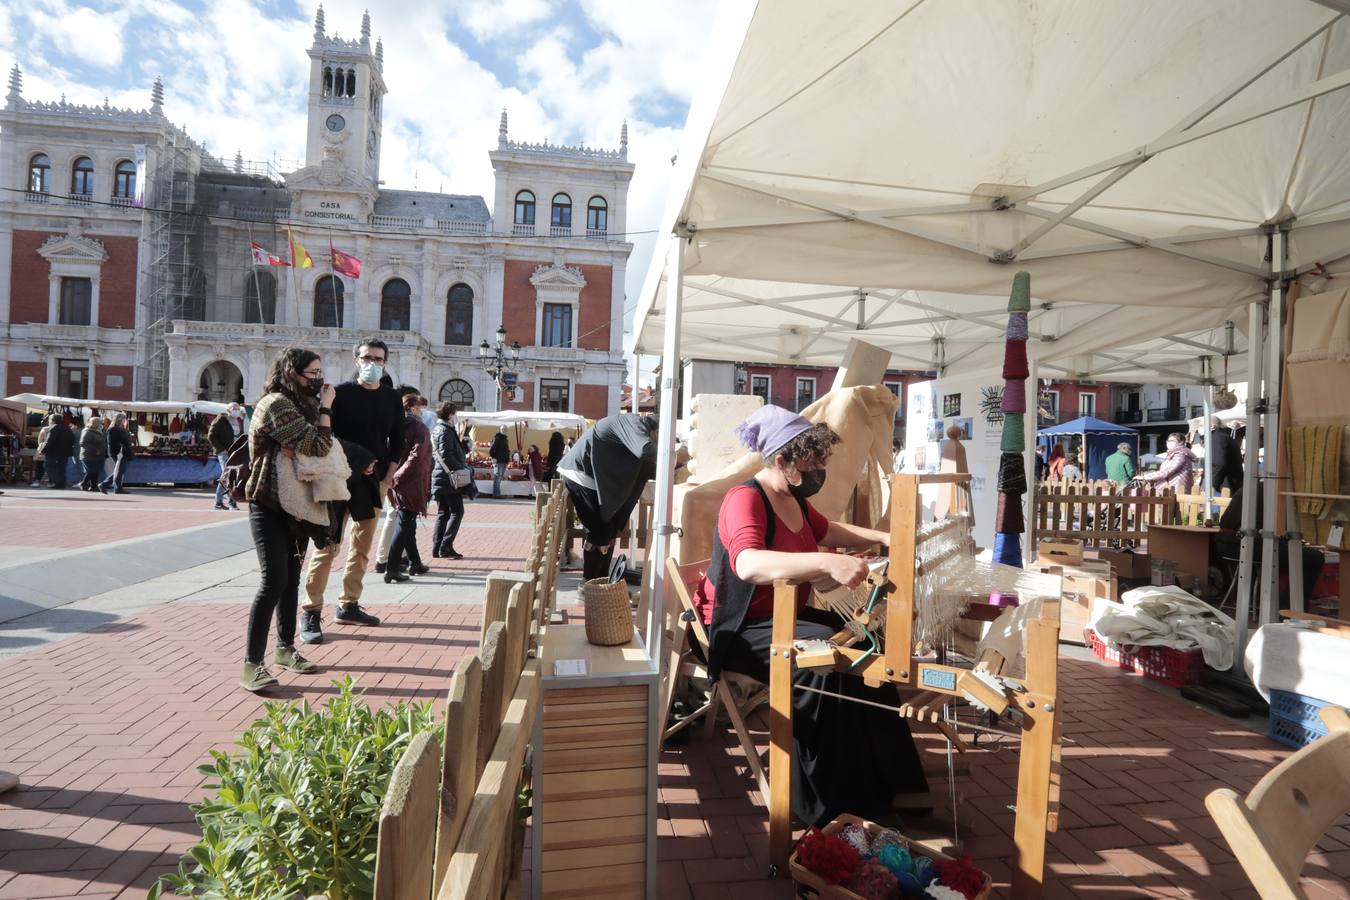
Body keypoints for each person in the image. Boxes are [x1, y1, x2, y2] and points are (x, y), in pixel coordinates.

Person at [693, 404, 929, 827]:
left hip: (784, 618)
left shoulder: (793, 499)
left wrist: (891, 539)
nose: (819, 471)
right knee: (821, 670)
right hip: (739, 628)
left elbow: (829, 531)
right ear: (780, 461)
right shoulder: (744, 500)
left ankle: (892, 784)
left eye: (821, 461)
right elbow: (747, 564)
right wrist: (824, 563)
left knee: (864, 651)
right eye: (811, 464)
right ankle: (827, 806)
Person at [238, 347, 332, 692]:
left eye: (320, 373)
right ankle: (251, 665)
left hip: (297, 505)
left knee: (291, 580)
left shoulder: (300, 406)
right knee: (273, 581)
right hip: (267, 502)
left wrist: (309, 437)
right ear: (292, 372)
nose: (318, 380)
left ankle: (285, 649)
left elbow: (316, 443)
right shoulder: (277, 403)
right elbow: (319, 446)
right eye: (312, 374)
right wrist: (324, 412)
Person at [300, 339, 403, 643]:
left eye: (379, 359)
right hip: (338, 478)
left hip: (374, 483)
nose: (373, 363)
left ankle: (349, 604)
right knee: (327, 545)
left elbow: (397, 439)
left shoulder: (391, 398)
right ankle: (311, 610)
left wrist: (390, 473)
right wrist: (359, 460)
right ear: (356, 360)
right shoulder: (340, 394)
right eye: (367, 357)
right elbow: (325, 435)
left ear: (385, 362)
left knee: (362, 545)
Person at [558, 412, 658, 581]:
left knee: (610, 531)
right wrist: (672, 454)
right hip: (581, 474)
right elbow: (645, 450)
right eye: (658, 438)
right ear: (654, 430)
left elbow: (647, 465)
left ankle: (601, 582)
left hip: (594, 478)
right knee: (600, 532)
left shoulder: (634, 427)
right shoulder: (635, 424)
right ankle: (588, 585)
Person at [1216, 488, 1323, 608]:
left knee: (1297, 554)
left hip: (1228, 543)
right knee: (1314, 557)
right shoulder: (1274, 493)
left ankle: (1285, 601)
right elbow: (1273, 531)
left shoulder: (1253, 487)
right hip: (1244, 545)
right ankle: (1290, 605)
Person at [385, 392, 432, 582]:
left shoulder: (396, 425)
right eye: (419, 407)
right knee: (404, 523)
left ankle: (415, 563)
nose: (421, 411)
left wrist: (392, 474)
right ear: (412, 407)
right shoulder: (419, 427)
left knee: (408, 523)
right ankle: (392, 568)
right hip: (410, 481)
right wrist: (399, 474)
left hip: (396, 479)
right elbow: (417, 455)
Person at [374, 386, 421, 575]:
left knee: (397, 516)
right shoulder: (398, 420)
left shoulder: (396, 419)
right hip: (394, 475)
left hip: (393, 473)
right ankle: (383, 558)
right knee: (394, 515)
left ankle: (399, 556)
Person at [431, 401, 469, 559]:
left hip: (441, 477)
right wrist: (462, 468)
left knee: (443, 512)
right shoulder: (445, 431)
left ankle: (437, 546)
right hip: (449, 478)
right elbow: (447, 455)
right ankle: (446, 545)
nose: (456, 417)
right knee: (457, 511)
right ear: (450, 415)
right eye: (455, 413)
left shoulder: (439, 429)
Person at [209, 404, 245, 510]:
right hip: (224, 453)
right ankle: (222, 501)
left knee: (232, 476)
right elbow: (211, 436)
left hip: (235, 452)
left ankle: (225, 502)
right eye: (234, 409)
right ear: (228, 410)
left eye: (238, 409)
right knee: (227, 475)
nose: (236, 411)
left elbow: (240, 436)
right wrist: (221, 449)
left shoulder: (239, 421)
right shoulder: (221, 420)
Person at [1208, 416, 1244, 492]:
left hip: (1224, 486)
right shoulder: (1224, 436)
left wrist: (1212, 485)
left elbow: (1218, 464)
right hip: (1232, 484)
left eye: (1201, 425)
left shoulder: (1217, 438)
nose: (1199, 428)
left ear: (1212, 426)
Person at [37, 414, 74, 489]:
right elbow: (72, 440)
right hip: (65, 452)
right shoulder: (67, 428)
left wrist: (42, 450)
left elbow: (49, 441)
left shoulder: (54, 428)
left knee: (48, 466)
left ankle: (58, 481)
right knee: (61, 468)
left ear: (52, 420)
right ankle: (61, 484)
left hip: (54, 452)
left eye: (50, 420)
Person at [100, 414, 134, 494]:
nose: (124, 421)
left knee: (119, 470)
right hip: (119, 452)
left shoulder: (118, 428)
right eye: (123, 419)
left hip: (120, 452)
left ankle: (116, 487)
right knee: (119, 470)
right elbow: (112, 442)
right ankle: (105, 485)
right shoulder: (113, 429)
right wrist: (122, 446)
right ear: (119, 420)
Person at [78, 417, 108, 493]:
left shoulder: (98, 431)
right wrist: (95, 450)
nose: (100, 424)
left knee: (96, 471)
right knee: (91, 471)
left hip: (98, 456)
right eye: (98, 422)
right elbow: (83, 443)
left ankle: (93, 486)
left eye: (99, 422)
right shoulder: (87, 431)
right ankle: (84, 483)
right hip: (89, 455)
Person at [489, 426, 511, 497]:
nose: (504, 430)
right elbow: (491, 450)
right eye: (503, 429)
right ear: (500, 430)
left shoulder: (505, 439)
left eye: (505, 429)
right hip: (499, 461)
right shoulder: (497, 438)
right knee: (497, 477)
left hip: (504, 461)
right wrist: (494, 457)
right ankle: (496, 494)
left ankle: (497, 492)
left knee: (500, 477)